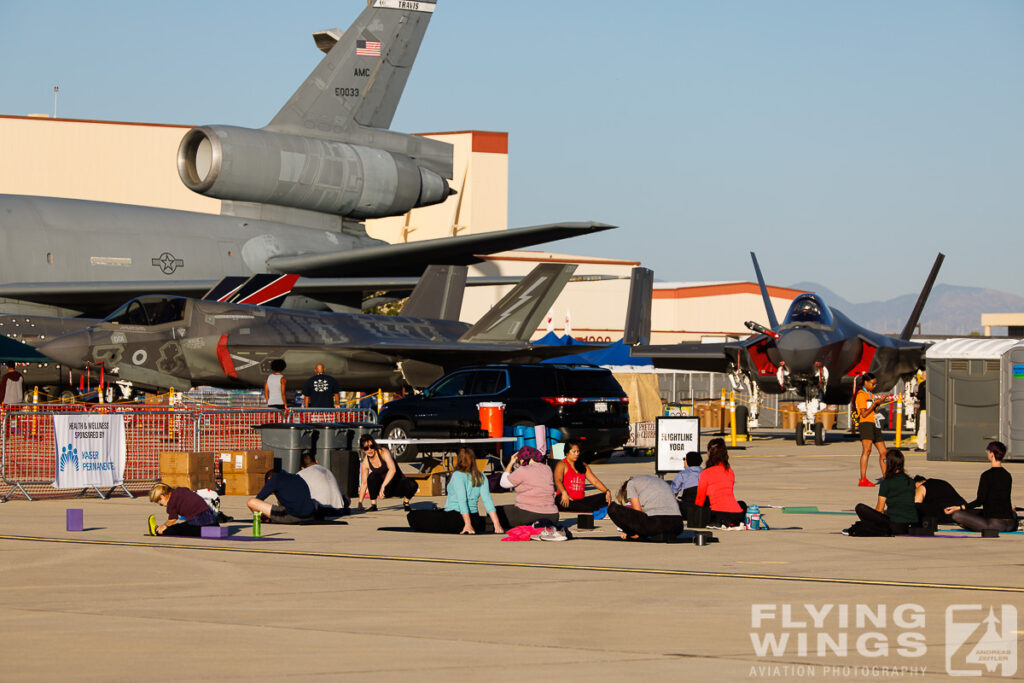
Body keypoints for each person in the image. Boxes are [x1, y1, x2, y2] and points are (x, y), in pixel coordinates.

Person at [407, 447, 505, 534]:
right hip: (475, 518)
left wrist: (467, 524)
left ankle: (466, 524)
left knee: (413, 516)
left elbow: (462, 500)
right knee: (436, 513)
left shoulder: (458, 475)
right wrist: (497, 524)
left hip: (456, 519)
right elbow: (487, 501)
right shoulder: (481, 476)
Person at [945, 441, 1017, 534]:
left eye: (988, 452)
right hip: (1010, 524)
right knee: (976, 512)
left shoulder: (987, 475)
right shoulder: (1007, 475)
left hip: (995, 525)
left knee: (957, 515)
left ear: (992, 454)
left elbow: (980, 500)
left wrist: (958, 508)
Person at [844, 449, 917, 536]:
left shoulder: (887, 482)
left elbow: (880, 508)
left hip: (895, 526)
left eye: (885, 461)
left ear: (890, 463)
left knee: (860, 507)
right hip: (912, 525)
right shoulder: (911, 481)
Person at [497, 446, 560, 528]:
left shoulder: (524, 470)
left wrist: (511, 463)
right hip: (553, 515)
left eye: (520, 459)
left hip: (529, 513)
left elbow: (504, 483)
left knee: (497, 512)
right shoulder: (547, 469)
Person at [607, 475, 683, 540]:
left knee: (612, 508)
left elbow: (637, 512)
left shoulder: (631, 484)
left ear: (626, 489)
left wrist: (627, 530)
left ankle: (633, 534)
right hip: (677, 525)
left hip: (656, 524)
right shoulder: (660, 481)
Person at [694, 437, 747, 527]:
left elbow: (700, 500)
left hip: (718, 514)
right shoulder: (730, 471)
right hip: (737, 515)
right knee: (741, 504)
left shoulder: (705, 473)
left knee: (704, 505)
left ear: (709, 453)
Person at [358, 436, 417, 511]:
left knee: (413, 484)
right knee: (372, 477)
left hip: (396, 484)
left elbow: (392, 470)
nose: (370, 450)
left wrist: (383, 486)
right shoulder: (365, 463)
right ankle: (373, 504)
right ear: (362, 450)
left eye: (372, 446)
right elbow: (364, 483)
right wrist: (360, 503)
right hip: (385, 490)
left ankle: (406, 502)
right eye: (366, 448)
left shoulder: (383, 452)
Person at [552, 439, 612, 512]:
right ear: (567, 452)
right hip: (566, 499)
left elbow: (595, 481)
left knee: (603, 497)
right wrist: (564, 493)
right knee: (565, 502)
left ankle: (593, 508)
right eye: (574, 452)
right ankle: (594, 510)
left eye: (578, 451)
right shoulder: (562, 464)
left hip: (580, 501)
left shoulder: (583, 465)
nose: (577, 454)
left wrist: (606, 491)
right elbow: (558, 481)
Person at [147, 482, 219, 536]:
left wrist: (164, 526)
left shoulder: (171, 502)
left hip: (198, 525)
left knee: (177, 528)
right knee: (186, 524)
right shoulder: (180, 490)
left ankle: (157, 531)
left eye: (159, 502)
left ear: (163, 495)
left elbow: (172, 519)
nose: (160, 504)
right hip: (212, 520)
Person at [855, 373, 889, 487]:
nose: (874, 386)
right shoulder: (861, 395)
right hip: (866, 424)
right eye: (872, 384)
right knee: (867, 450)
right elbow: (864, 413)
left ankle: (886, 476)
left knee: (884, 452)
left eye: (875, 384)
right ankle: (863, 478)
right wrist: (874, 403)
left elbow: (873, 409)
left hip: (875, 422)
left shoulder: (870, 394)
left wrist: (878, 402)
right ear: (866, 382)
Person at [247, 468, 315, 524]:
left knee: (251, 502)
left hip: (294, 516)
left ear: (269, 478)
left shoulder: (274, 479)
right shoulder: (296, 477)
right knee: (280, 502)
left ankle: (264, 519)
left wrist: (264, 515)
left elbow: (258, 499)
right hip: (310, 515)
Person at [298, 452, 349, 518]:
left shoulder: (301, 474)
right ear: (316, 461)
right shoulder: (326, 470)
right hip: (340, 509)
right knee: (345, 498)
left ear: (302, 467)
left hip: (322, 509)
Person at [914, 370, 927, 451]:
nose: (922, 376)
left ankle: (920, 446)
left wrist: (916, 394)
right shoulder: (935, 383)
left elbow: (920, 396)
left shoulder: (922, 384)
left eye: (923, 375)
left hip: (924, 409)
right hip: (933, 409)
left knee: (922, 428)